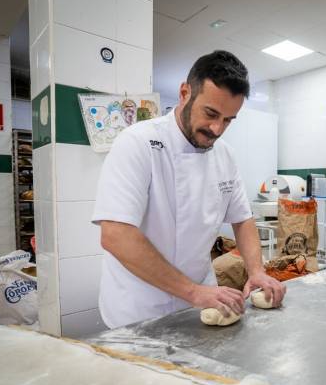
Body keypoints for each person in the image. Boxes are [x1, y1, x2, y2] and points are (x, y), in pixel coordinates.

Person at [93, 50, 285, 329]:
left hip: (202, 303)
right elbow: (115, 235)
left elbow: (242, 219)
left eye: (229, 120)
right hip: (139, 307)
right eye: (210, 113)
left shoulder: (225, 155)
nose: (217, 129)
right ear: (185, 93)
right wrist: (194, 292)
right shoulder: (138, 142)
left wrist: (256, 271)